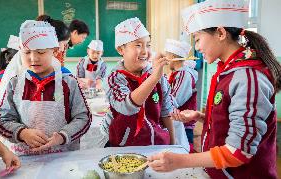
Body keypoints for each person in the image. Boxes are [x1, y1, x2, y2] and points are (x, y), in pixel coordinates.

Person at [148, 0, 281, 178]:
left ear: (220, 33)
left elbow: (238, 152)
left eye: (197, 39)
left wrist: (178, 161)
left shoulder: (248, 77)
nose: (197, 47)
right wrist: (202, 117)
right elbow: (231, 121)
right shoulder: (226, 70)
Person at [0, 20, 91, 156]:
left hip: (63, 159)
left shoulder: (69, 83)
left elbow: (83, 117)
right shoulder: (14, 85)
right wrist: (22, 133)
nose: (33, 58)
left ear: (54, 50)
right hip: (25, 161)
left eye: (40, 52)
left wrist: (63, 136)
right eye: (27, 52)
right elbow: (2, 120)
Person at [101, 17, 175, 147]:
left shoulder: (157, 75)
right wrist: (153, 79)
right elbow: (127, 107)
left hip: (156, 144)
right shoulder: (115, 78)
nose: (145, 51)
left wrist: (172, 144)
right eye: (138, 45)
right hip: (125, 147)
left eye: (148, 45)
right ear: (121, 50)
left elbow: (166, 111)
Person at [165, 39, 198, 151]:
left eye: (167, 56)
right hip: (178, 122)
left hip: (183, 125)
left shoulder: (184, 75)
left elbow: (175, 100)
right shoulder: (176, 74)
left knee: (184, 151)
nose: (166, 60)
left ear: (173, 57)